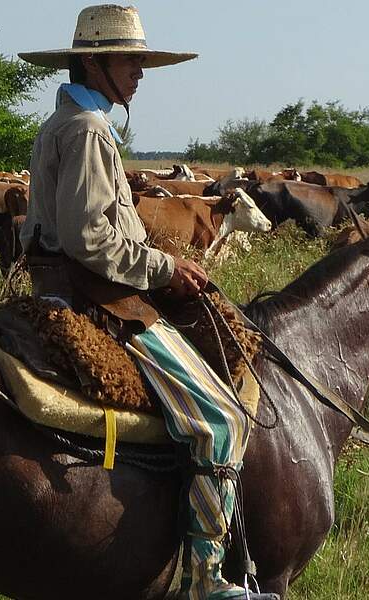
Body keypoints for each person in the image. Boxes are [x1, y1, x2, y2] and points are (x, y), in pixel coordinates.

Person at [17, 6, 277, 600]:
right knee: (222, 419)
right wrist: (165, 267)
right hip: (99, 297)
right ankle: (205, 579)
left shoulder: (73, 121)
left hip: (80, 283)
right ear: (94, 62)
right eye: (131, 61)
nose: (140, 73)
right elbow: (88, 238)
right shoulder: (86, 129)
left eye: (141, 62)